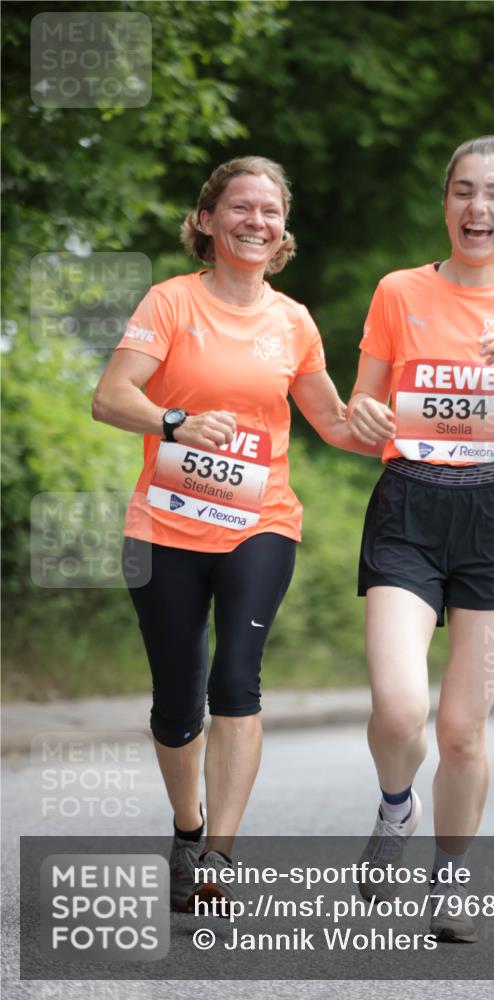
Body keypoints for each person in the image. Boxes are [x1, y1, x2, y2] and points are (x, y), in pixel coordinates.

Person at [92, 155, 378, 914]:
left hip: (261, 520)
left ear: (283, 229)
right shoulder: (171, 302)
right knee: (177, 701)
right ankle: (187, 830)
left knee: (235, 681)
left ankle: (218, 853)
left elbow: (335, 423)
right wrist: (174, 420)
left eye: (271, 211)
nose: (257, 222)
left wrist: (398, 432)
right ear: (209, 219)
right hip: (165, 524)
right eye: (241, 208)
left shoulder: (293, 321)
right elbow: (111, 396)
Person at [346, 135, 494, 943]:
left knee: (461, 730)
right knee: (399, 705)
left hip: (493, 513)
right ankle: (394, 808)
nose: (475, 209)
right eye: (462, 192)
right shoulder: (397, 291)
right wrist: (364, 418)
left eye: (493, 196)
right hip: (408, 505)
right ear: (444, 201)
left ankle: (446, 886)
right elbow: (357, 414)